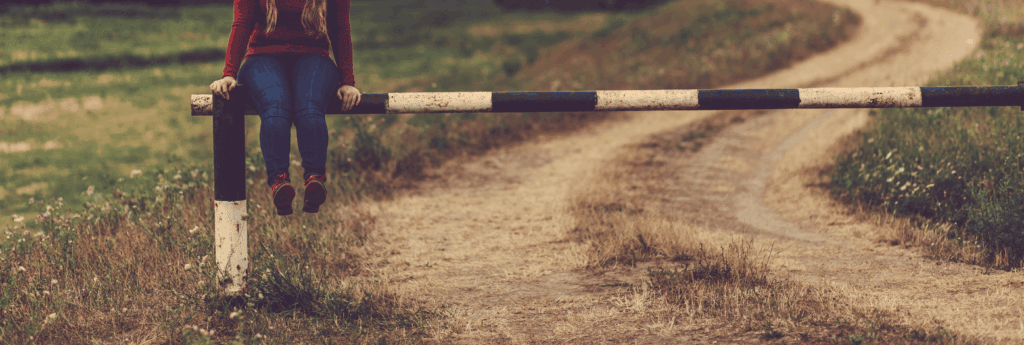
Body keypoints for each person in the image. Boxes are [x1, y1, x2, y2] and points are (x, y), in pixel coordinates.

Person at [210, 0, 361, 216]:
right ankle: (280, 183)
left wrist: (348, 81)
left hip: (314, 56)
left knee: (309, 109)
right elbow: (242, 23)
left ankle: (315, 180)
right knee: (276, 110)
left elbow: (340, 28)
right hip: (262, 57)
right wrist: (229, 74)